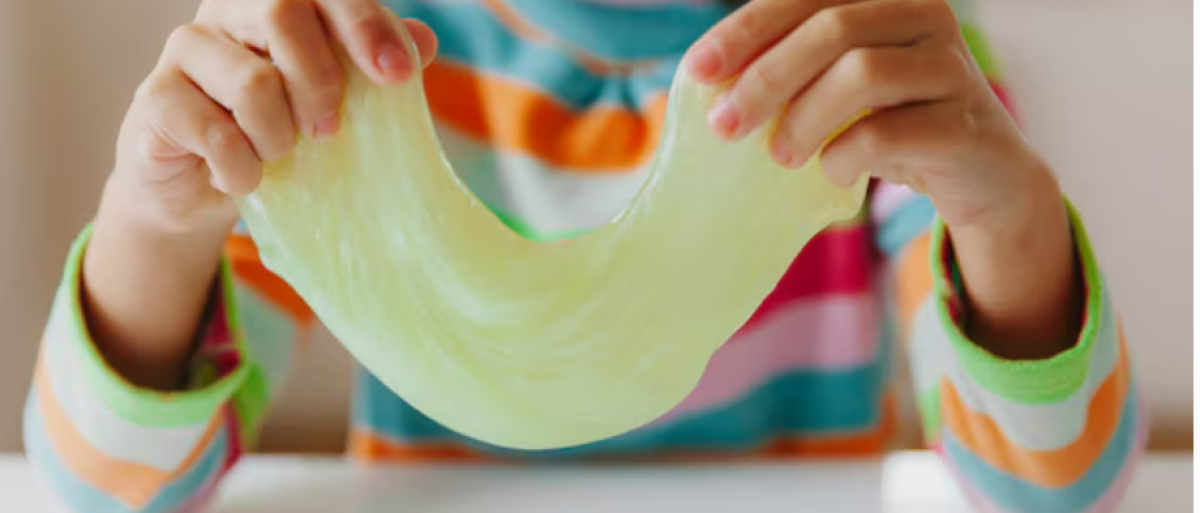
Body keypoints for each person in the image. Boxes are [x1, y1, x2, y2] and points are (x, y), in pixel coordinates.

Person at [23, 0, 1144, 512]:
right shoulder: (348, 79)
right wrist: (156, 219)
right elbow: (102, 492)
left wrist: (1008, 214)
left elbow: (1055, 492)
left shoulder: (868, 71)